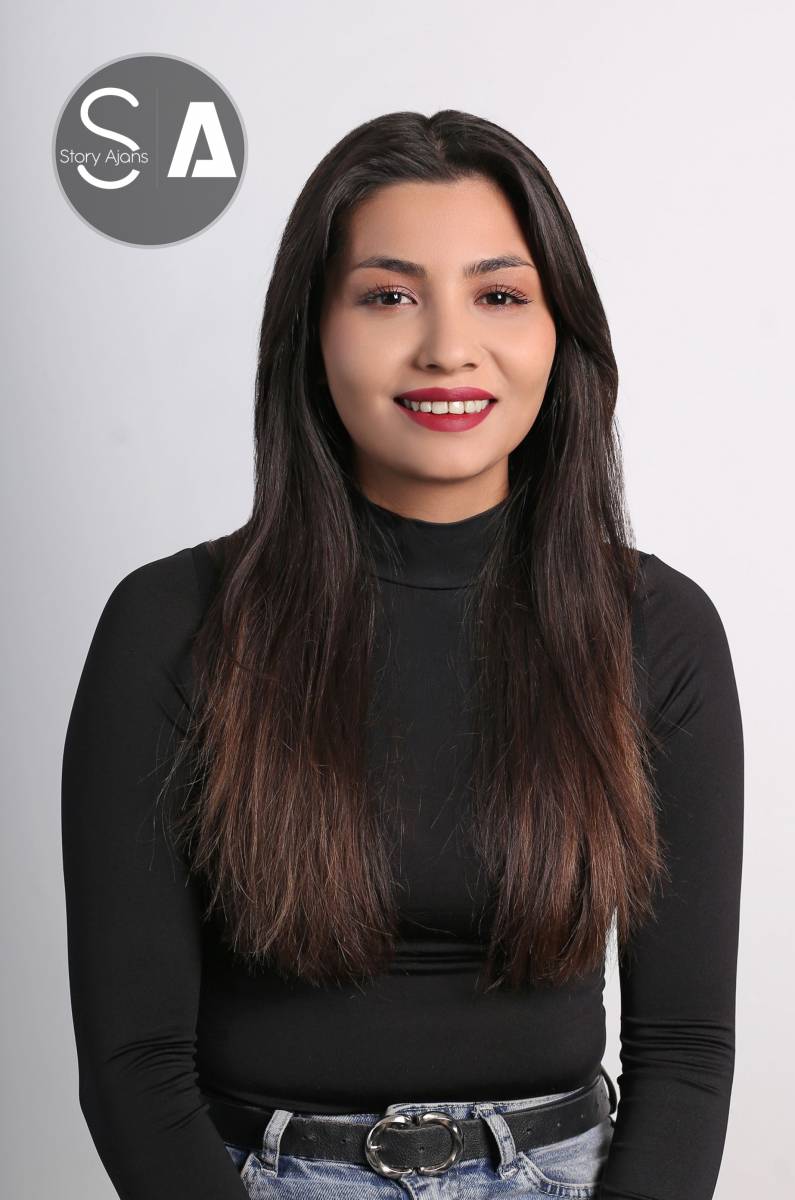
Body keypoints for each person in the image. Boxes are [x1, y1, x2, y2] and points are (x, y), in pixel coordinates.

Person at [61, 109, 744, 1200]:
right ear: (312, 332)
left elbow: (685, 1053)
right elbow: (133, 1068)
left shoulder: (656, 627)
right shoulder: (171, 623)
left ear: (559, 331)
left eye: (499, 296)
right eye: (387, 296)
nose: (446, 347)